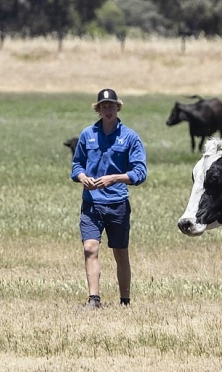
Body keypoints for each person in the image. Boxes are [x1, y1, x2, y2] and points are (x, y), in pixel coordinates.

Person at [71, 88, 148, 309]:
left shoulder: (130, 137)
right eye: (103, 106)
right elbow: (76, 165)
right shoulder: (87, 135)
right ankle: (94, 299)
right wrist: (82, 176)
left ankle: (125, 301)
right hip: (91, 203)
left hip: (117, 204)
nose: (107, 109)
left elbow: (140, 172)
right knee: (89, 248)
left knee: (120, 254)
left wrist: (115, 178)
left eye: (111, 105)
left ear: (118, 107)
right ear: (98, 109)